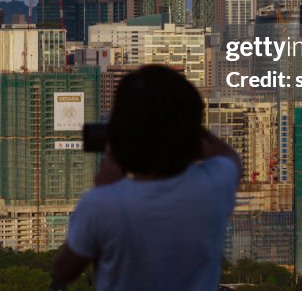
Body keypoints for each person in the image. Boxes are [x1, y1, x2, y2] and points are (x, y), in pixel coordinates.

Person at [50, 64, 241, 290]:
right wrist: (181, 127)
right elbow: (229, 157)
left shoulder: (101, 205)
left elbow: (64, 271)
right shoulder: (213, 187)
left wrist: (105, 187)